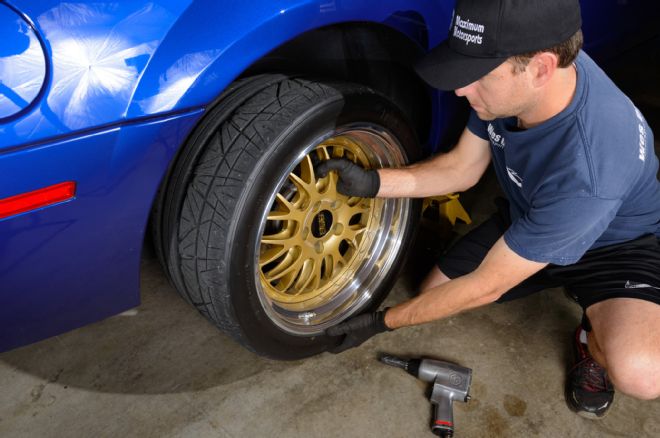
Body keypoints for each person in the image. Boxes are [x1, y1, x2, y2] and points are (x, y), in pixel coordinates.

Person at [318, 0, 660, 419]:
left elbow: (487, 286)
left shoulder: (590, 172)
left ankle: (593, 336)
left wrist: (380, 323)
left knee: (641, 371)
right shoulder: (525, 79)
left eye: (476, 76)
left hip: (616, 247)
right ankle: (548, 269)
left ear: (540, 69)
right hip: (531, 218)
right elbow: (463, 168)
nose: (461, 90)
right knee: (433, 294)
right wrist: (373, 183)